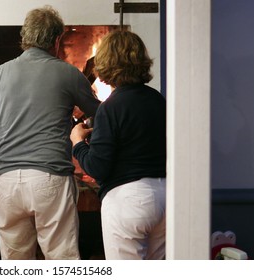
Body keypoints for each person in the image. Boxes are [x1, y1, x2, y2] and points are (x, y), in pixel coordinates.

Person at [0, 5, 100, 260]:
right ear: (57, 40)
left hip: (7, 183)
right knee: (62, 261)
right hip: (51, 178)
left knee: (16, 264)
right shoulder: (69, 73)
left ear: (24, 37)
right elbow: (103, 115)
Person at [70, 30, 166, 260]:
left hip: (128, 200)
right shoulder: (158, 100)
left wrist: (77, 143)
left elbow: (97, 167)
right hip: (165, 196)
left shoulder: (111, 107)